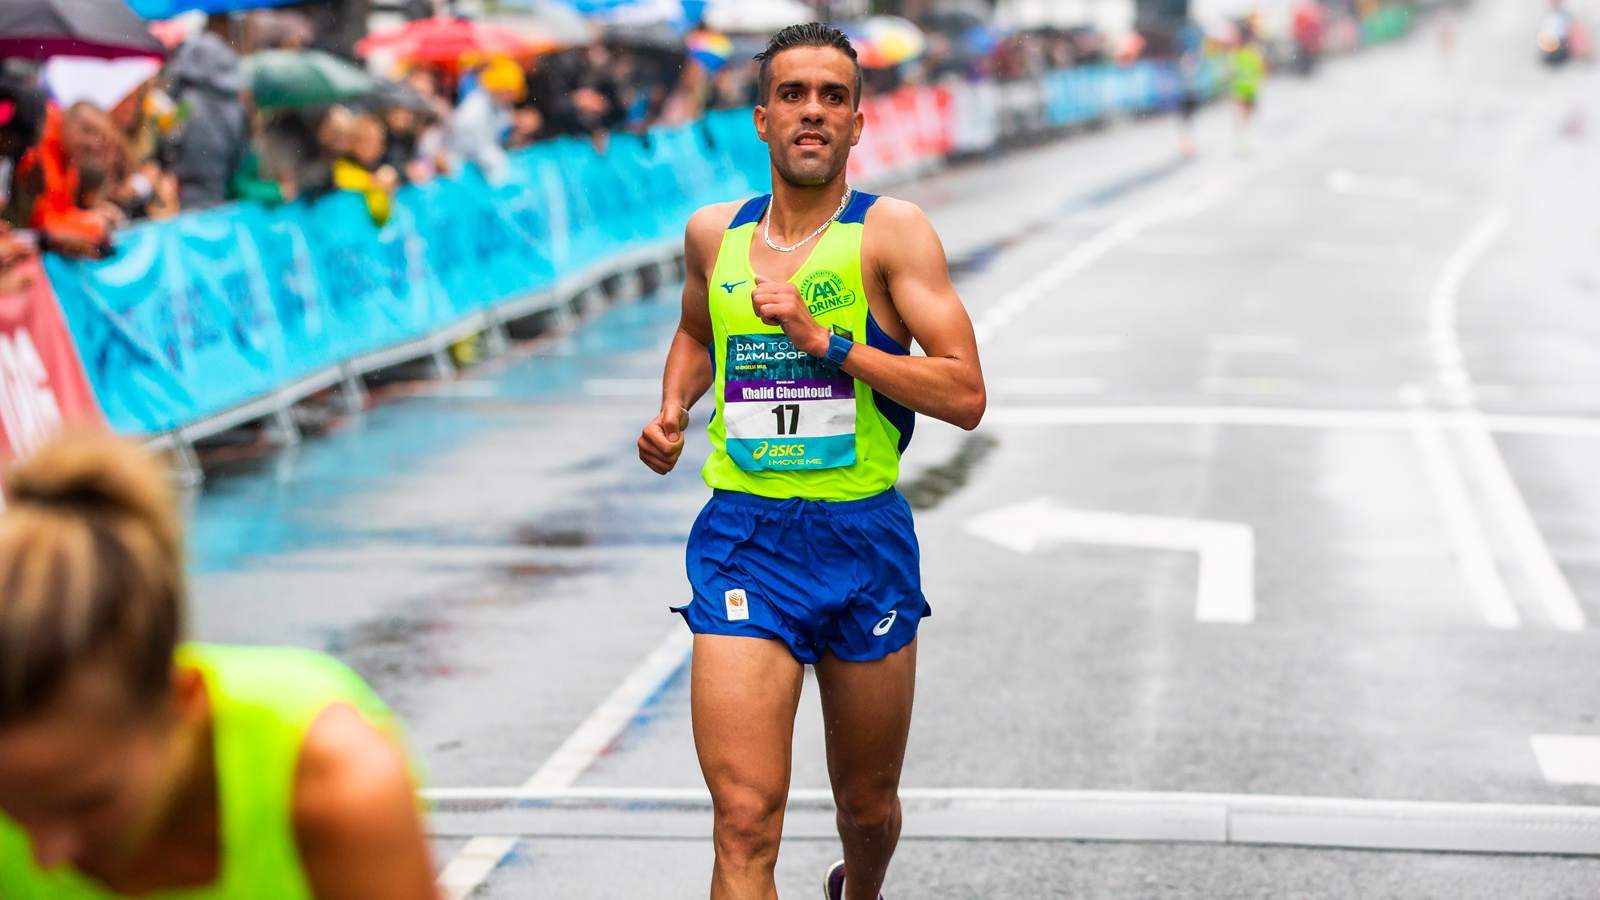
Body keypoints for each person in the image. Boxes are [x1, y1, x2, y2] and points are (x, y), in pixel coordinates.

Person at [636, 23, 985, 900]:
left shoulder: (891, 234)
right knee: (745, 819)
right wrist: (674, 408)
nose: (813, 113)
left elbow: (964, 395)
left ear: (859, 124)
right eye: (794, 95)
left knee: (867, 810)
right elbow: (694, 331)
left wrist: (830, 343)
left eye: (833, 97)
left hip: (860, 538)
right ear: (761, 119)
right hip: (743, 536)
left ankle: (857, 890)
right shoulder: (713, 235)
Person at [0, 430, 438, 899]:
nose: (46, 854)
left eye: (89, 803)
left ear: (182, 699)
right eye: (10, 808)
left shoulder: (338, 784)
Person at [166, 13, 248, 210]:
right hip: (220, 193)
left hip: (184, 195)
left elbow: (169, 143)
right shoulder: (234, 103)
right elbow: (239, 153)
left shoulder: (185, 101)